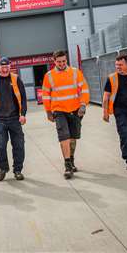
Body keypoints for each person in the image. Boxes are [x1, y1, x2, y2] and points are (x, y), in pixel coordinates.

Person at [42, 51, 89, 179]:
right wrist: (48, 111)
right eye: (59, 62)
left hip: (75, 110)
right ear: (54, 61)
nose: (62, 64)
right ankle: (67, 165)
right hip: (59, 111)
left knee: (73, 138)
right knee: (64, 137)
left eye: (64, 61)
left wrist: (83, 105)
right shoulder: (49, 76)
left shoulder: (75, 72)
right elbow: (45, 95)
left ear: (66, 60)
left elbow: (84, 89)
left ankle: (71, 159)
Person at [0, 57, 27, 182]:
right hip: (0, 119)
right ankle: (3, 169)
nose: (4, 68)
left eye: (7, 66)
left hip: (15, 118)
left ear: (10, 66)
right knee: (1, 145)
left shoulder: (16, 79)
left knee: (19, 145)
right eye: (2, 66)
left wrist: (23, 114)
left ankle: (17, 170)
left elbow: (23, 98)